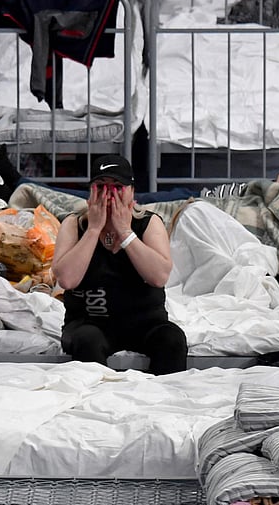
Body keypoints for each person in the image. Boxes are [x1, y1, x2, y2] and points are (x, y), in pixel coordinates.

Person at [52, 154, 188, 375]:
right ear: (90, 194)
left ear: (131, 193)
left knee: (172, 339)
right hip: (90, 323)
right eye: (102, 187)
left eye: (117, 187)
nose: (109, 196)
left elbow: (159, 276)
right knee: (88, 340)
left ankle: (164, 402)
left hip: (145, 322)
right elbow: (66, 279)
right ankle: (95, 402)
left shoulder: (149, 223)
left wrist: (125, 233)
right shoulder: (74, 224)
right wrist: (94, 229)